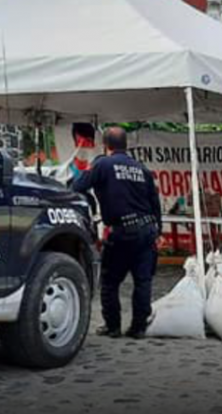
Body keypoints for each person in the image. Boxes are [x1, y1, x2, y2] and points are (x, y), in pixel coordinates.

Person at [74, 127, 162, 340]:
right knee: (143, 281)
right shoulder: (142, 169)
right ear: (126, 145)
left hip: (123, 232)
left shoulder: (102, 164)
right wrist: (159, 231)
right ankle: (138, 328)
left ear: (106, 145)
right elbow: (155, 203)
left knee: (110, 281)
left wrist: (93, 202)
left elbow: (77, 186)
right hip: (148, 230)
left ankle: (113, 326)